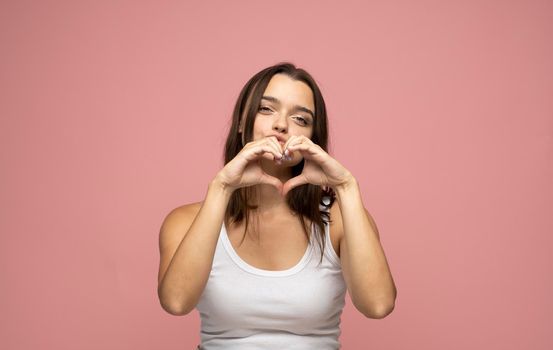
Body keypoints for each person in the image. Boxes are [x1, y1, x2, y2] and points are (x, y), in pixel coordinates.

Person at [157, 62, 397, 349]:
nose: (281, 124)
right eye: (266, 109)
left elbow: (378, 305)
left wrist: (347, 187)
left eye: (300, 118)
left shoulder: (340, 219)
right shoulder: (185, 220)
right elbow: (176, 302)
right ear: (241, 123)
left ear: (312, 139)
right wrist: (221, 188)